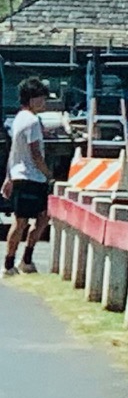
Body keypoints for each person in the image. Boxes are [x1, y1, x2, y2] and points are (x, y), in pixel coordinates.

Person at [3, 78, 53, 277]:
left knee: (41, 217)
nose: (44, 102)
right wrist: (48, 174)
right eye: (41, 98)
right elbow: (35, 153)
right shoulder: (32, 121)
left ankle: (24, 260)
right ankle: (11, 263)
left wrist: (8, 177)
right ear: (31, 99)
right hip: (31, 176)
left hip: (19, 175)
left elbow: (13, 150)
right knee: (23, 220)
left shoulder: (19, 118)